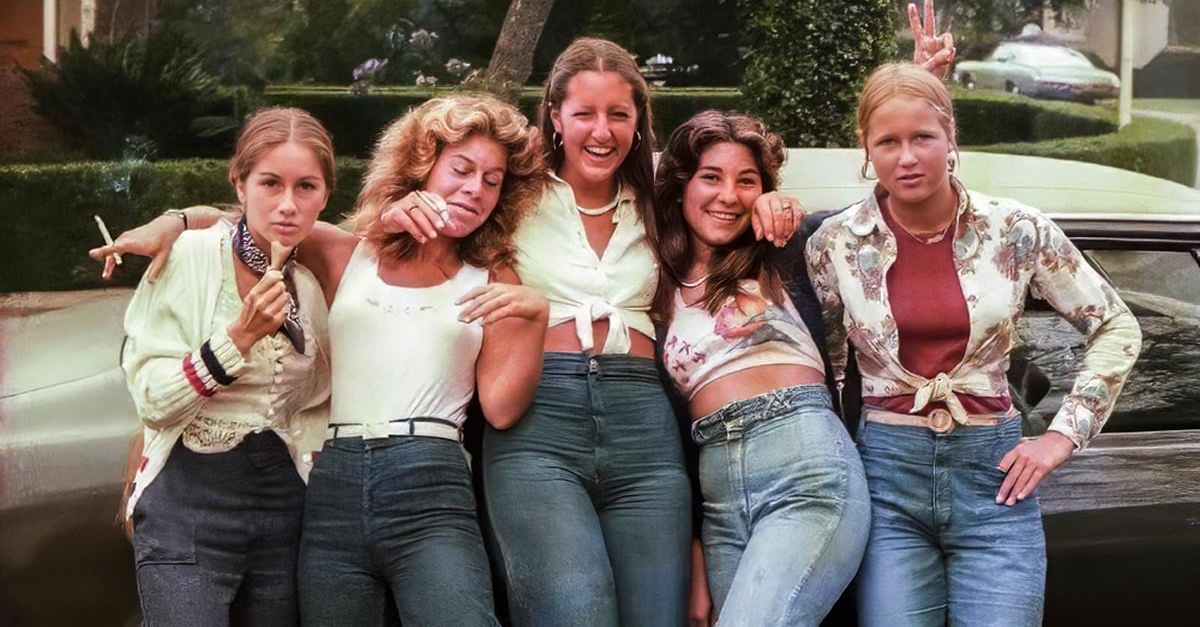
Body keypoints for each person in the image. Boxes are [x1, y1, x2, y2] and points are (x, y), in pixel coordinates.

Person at [380, 38, 801, 627]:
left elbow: (727, 193)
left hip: (644, 426)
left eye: (618, 115)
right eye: (584, 114)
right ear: (554, 116)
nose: (601, 132)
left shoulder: (660, 195)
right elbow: (428, 210)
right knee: (575, 611)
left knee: (657, 616)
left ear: (638, 121)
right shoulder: (513, 189)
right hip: (537, 422)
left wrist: (774, 202)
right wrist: (396, 210)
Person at [97, 95, 550, 626]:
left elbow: (500, 409)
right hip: (332, 480)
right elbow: (254, 219)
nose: (475, 189)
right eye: (462, 169)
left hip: (431, 479)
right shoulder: (346, 252)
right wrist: (174, 221)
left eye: (493, 180)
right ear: (422, 167)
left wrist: (535, 319)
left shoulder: (495, 278)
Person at [805, 62, 1143, 625]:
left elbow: (1115, 325)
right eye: (887, 141)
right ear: (866, 148)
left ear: (950, 137)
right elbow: (824, 362)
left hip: (996, 483)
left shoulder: (1015, 229)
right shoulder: (834, 243)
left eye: (922, 138)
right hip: (886, 481)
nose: (907, 157)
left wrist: (1063, 436)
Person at [652, 110, 870, 626]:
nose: (728, 196)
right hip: (720, 501)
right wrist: (697, 551)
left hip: (806, 469)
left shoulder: (784, 254)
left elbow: (884, 218)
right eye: (711, 177)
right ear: (682, 184)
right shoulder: (654, 283)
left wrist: (785, 209)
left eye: (746, 181)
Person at [120, 107, 336, 626]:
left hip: (283, 508)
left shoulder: (309, 287)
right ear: (239, 184)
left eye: (306, 186)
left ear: (325, 195)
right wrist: (239, 337)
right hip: (187, 502)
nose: (287, 204)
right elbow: (151, 399)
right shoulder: (189, 258)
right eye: (270, 183)